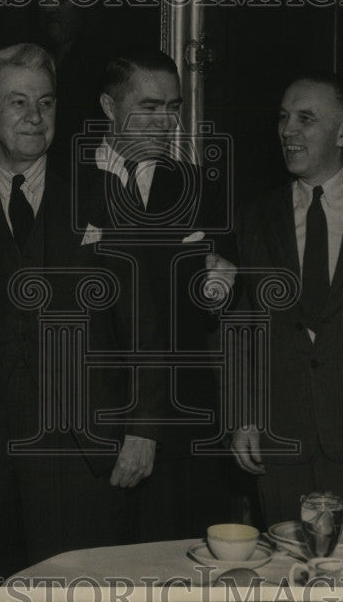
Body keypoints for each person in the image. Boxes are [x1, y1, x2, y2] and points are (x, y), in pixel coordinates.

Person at [0, 43, 149, 578]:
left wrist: (145, 429)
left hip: (86, 448)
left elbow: (146, 326)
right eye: (18, 102)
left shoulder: (105, 197)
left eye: (45, 103)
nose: (34, 117)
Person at [222, 73, 343, 523]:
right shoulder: (255, 216)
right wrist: (243, 416)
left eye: (305, 119)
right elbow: (241, 327)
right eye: (284, 117)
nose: (288, 130)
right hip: (282, 445)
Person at [74, 50, 235, 541]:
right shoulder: (60, 183)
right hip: (89, 431)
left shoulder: (198, 186)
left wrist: (220, 291)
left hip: (184, 429)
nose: (166, 122)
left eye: (173, 107)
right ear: (108, 105)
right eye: (150, 107)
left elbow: (218, 294)